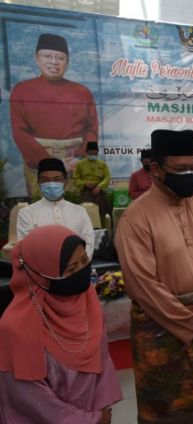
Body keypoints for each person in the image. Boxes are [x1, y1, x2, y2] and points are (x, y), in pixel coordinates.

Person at [114, 129, 193, 424]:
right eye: (180, 169)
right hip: (162, 332)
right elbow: (143, 286)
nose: (190, 175)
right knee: (169, 415)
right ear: (155, 170)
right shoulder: (136, 219)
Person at [0, 225, 122, 424]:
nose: (81, 272)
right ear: (42, 274)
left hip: (89, 423)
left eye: (85, 261)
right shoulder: (15, 327)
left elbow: (101, 357)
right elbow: (30, 398)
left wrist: (99, 414)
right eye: (71, 269)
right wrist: (87, 423)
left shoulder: (87, 302)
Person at [10, 33, 99, 197]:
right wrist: (49, 162)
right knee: (39, 209)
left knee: (75, 206)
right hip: (38, 163)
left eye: (60, 57)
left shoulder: (83, 92)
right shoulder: (21, 90)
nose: (53, 62)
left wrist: (80, 158)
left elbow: (92, 129)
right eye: (47, 56)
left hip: (75, 163)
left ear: (67, 62)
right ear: (37, 58)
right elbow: (19, 132)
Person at [17, 158, 95, 259]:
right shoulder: (26, 213)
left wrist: (77, 266)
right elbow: (26, 247)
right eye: (45, 180)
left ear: (65, 182)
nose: (51, 183)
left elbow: (89, 242)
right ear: (39, 183)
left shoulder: (79, 211)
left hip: (77, 269)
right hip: (42, 271)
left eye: (57, 179)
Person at [72, 142, 111, 219]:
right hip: (85, 192)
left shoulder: (102, 164)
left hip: (99, 192)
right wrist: (84, 183)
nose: (93, 156)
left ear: (98, 153)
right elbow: (75, 179)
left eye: (95, 154)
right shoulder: (80, 164)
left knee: (102, 214)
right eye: (91, 154)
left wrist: (100, 187)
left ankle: (102, 230)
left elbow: (107, 177)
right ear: (86, 152)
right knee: (86, 215)